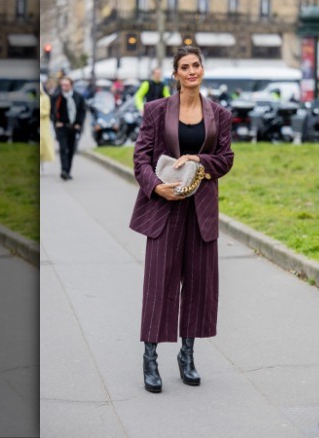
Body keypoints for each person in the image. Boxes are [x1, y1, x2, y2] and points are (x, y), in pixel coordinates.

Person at [129, 45, 234, 393]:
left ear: (202, 70)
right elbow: (140, 158)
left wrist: (201, 161)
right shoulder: (157, 111)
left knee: (199, 285)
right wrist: (156, 187)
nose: (192, 71)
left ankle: (187, 356)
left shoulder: (220, 114)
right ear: (175, 74)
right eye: (185, 66)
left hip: (200, 209)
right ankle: (150, 358)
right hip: (165, 207)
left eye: (197, 65)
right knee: (159, 284)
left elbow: (226, 158)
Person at [51, 76, 86, 181]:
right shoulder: (57, 97)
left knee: (71, 149)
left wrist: (79, 124)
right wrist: (56, 122)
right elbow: (52, 111)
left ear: (71, 86)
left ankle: (68, 170)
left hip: (73, 127)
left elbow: (82, 111)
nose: (64, 87)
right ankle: (63, 170)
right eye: (62, 85)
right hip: (62, 127)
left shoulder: (78, 97)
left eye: (66, 85)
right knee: (63, 148)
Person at [40, 82, 56, 172]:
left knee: (44, 143)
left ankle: (44, 163)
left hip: (44, 124)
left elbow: (47, 111)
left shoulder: (45, 98)